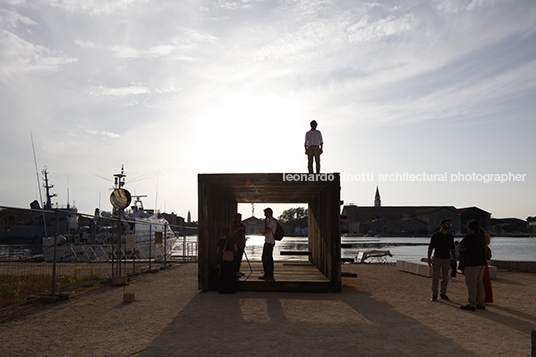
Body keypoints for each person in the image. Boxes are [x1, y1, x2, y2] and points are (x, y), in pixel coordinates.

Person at [459, 220, 487, 311]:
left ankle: (472, 304)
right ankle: (481, 302)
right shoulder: (482, 237)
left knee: (471, 284)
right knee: (479, 283)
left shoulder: (469, 236)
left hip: (472, 263)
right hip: (482, 262)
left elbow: (460, 246)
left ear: (469, 228)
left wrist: (465, 249)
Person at [427, 219, 456, 301]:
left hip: (447, 258)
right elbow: (431, 247)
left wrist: (454, 258)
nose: (449, 226)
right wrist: (429, 258)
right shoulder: (436, 235)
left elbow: (452, 248)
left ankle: (443, 294)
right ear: (442, 225)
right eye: (447, 224)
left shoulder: (450, 236)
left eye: (450, 224)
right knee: (435, 277)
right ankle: (434, 295)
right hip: (437, 258)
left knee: (445, 277)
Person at [216, 228, 238, 294]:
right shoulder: (232, 240)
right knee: (231, 274)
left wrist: (221, 254)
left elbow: (217, 251)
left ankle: (223, 289)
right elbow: (236, 249)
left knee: (223, 274)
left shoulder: (221, 241)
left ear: (223, 234)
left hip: (224, 259)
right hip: (231, 259)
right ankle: (231, 289)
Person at [259, 207, 277, 281]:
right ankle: (267, 274)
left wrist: (266, 223)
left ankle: (269, 274)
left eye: (265, 214)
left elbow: (267, 230)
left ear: (268, 213)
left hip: (269, 242)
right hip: (268, 242)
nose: (264, 215)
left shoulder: (272, 222)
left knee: (267, 258)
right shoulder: (271, 221)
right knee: (266, 258)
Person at [479, 227, 493, 303]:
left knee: (480, 280)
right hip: (484, 262)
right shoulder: (485, 239)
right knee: (485, 280)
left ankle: (480, 298)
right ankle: (486, 297)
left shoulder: (482, 239)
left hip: (479, 262)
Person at [231, 213, 246, 278]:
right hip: (236, 243)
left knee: (240, 257)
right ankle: (234, 271)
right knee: (235, 257)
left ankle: (238, 270)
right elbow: (233, 233)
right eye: (238, 218)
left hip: (242, 243)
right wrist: (239, 228)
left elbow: (244, 233)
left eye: (240, 217)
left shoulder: (242, 225)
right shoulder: (234, 226)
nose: (239, 219)